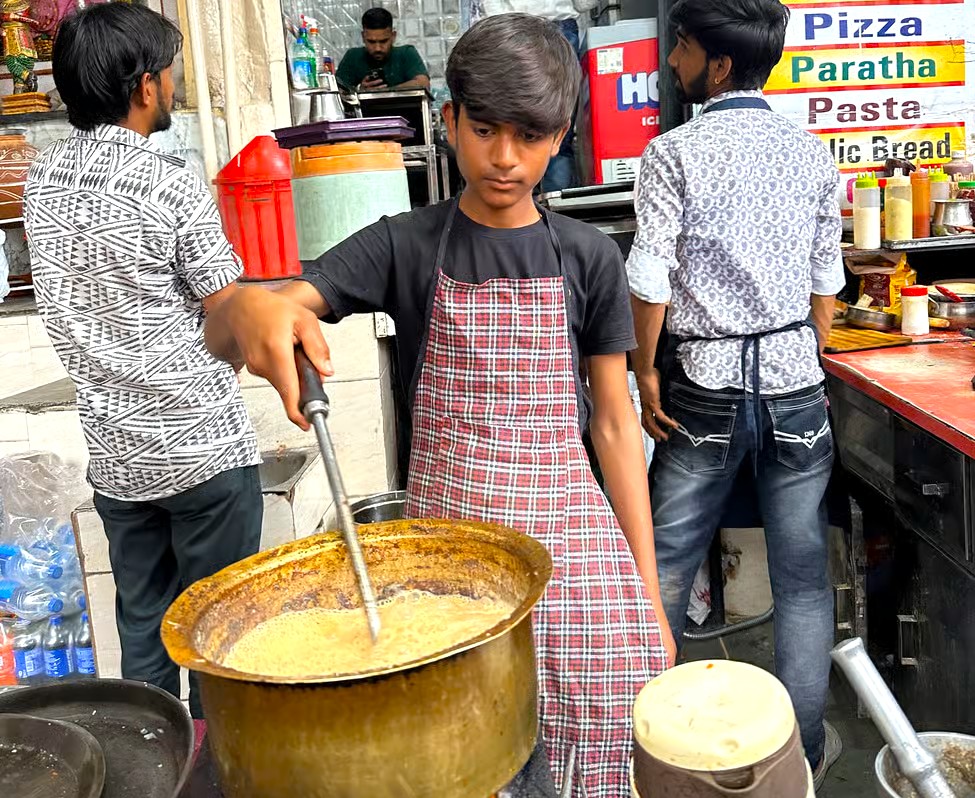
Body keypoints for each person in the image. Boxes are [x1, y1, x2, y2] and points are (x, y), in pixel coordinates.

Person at [206, 14, 673, 796]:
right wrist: (242, 309)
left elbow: (615, 425)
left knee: (605, 698)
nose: (502, 159)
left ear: (558, 136)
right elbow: (254, 319)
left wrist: (649, 593)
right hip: (449, 552)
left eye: (527, 137)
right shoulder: (403, 245)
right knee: (461, 748)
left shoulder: (590, 257)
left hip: (572, 534)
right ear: (448, 119)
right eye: (484, 129)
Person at [625, 0, 844, 789]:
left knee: (666, 568)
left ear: (716, 64)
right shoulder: (811, 152)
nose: (672, 61)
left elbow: (648, 277)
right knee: (800, 579)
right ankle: (802, 758)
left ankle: (656, 758)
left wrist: (645, 370)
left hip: (705, 387)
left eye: (680, 49)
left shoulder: (672, 154)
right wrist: (803, 352)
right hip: (793, 387)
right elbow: (827, 281)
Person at [23, 3, 262, 718]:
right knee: (222, 640)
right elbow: (230, 311)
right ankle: (223, 773)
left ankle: (156, 771)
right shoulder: (169, 181)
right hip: (200, 454)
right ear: (143, 85)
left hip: (119, 461)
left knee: (145, 638)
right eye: (167, 72)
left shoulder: (42, 181)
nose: (172, 83)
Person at [476, 0, 596, 192]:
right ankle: (557, 214)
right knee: (557, 136)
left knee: (509, 133)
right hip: (559, 27)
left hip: (508, 30)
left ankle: (517, 213)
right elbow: (585, 3)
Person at [336, 7, 430, 92]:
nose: (377, 48)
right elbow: (337, 92)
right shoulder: (352, 57)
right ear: (363, 37)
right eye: (371, 42)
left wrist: (383, 93)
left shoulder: (406, 54)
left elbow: (423, 83)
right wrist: (360, 90)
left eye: (383, 41)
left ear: (393, 36)